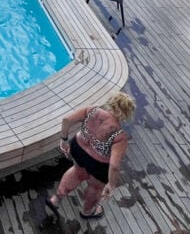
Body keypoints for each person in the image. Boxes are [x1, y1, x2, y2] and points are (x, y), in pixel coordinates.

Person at [45, 92, 136, 221]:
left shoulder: (92, 110)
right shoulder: (119, 136)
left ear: (111, 102)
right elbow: (114, 166)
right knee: (95, 187)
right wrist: (111, 184)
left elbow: (66, 120)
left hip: (78, 150)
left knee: (77, 172)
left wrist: (64, 139)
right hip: (98, 164)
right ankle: (87, 212)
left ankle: (56, 199)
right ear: (127, 113)